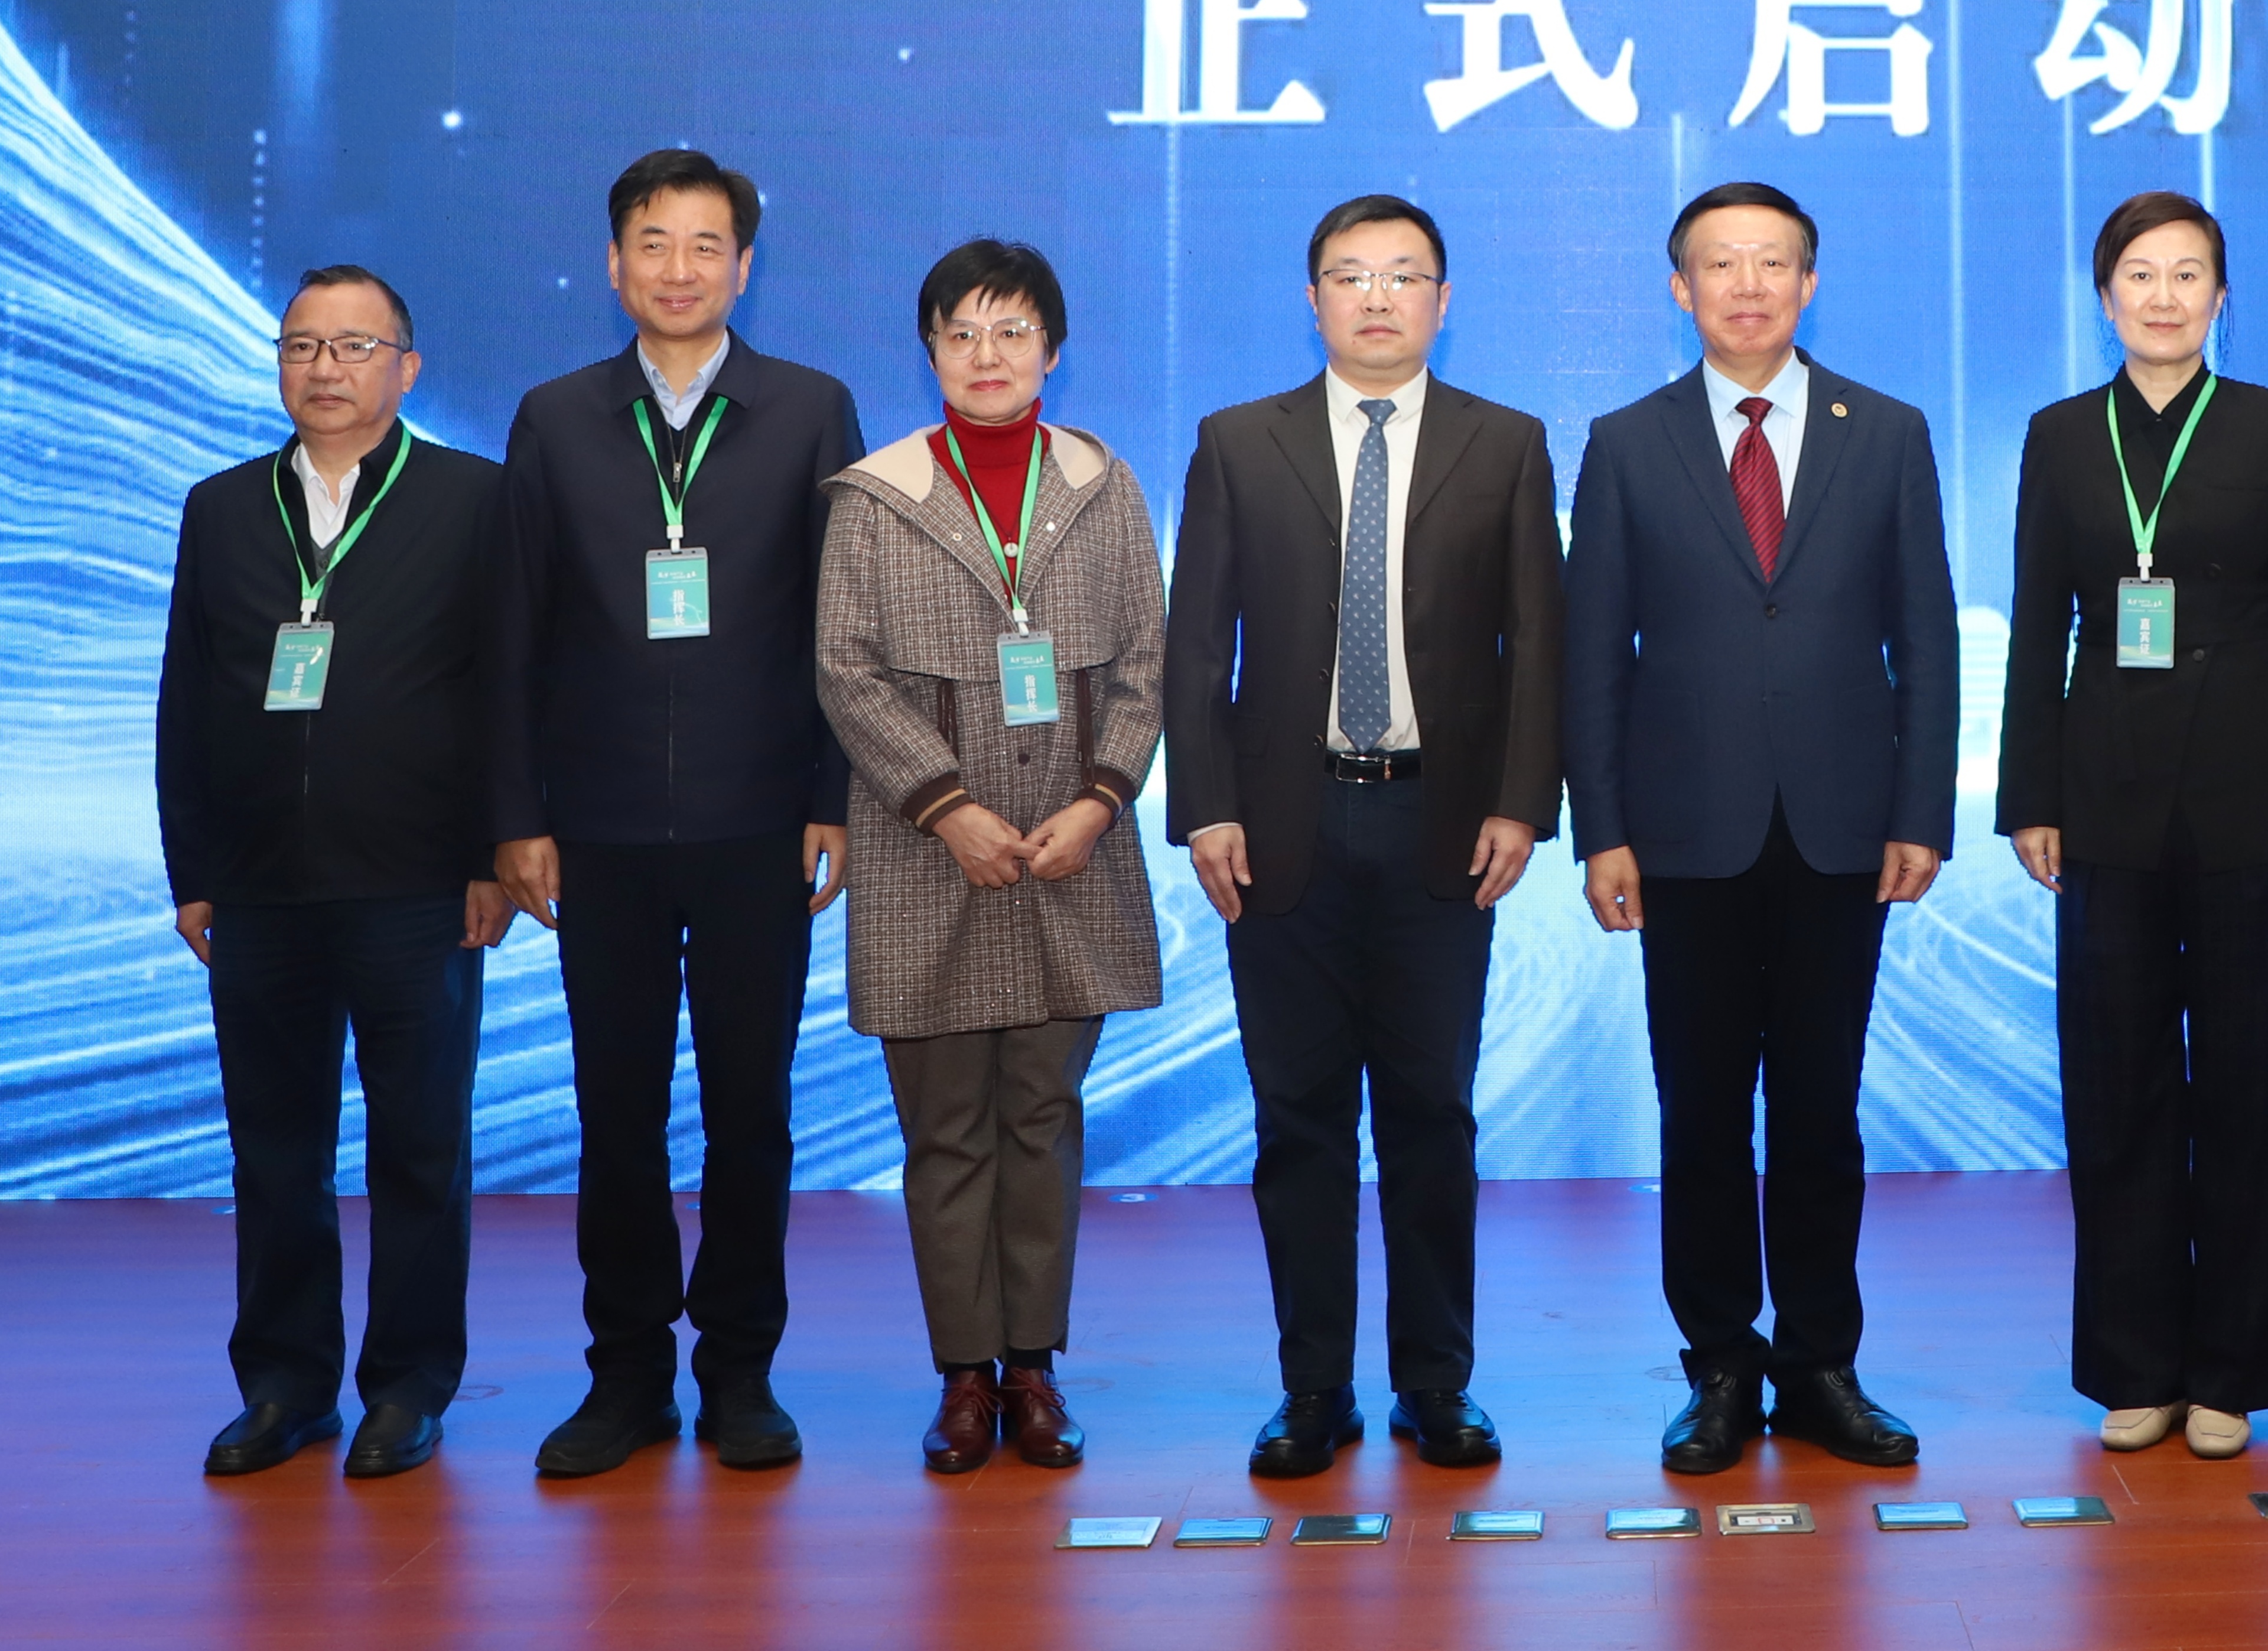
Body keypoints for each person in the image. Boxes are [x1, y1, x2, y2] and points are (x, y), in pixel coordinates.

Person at [1164, 194, 1563, 1479]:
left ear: (1443, 300)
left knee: (1433, 1111)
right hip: (1283, 822)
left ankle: (1437, 1382)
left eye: (1404, 276)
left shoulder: (1507, 443)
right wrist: (1206, 804)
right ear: (1313, 298)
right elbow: (1195, 643)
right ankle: (1313, 1385)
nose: (1378, 297)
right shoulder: (1239, 442)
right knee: (1299, 1115)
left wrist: (1522, 801)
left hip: (1442, 820)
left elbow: (1538, 642)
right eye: (1351, 275)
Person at [1565, 183, 1958, 1474]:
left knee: (1821, 1112)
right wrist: (1601, 829)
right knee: (1700, 1113)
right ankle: (1721, 1364)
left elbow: (1928, 636)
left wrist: (1922, 808)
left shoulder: (1885, 431)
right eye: (1721, 265)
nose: (1748, 285)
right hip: (1684, 834)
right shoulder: (1626, 442)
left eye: (1773, 263)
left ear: (1810, 281)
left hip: (1843, 827)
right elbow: (1592, 653)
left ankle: (1823, 1361)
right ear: (1680, 289)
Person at [493, 150, 866, 1477]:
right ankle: (628, 1376)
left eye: (707, 246)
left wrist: (833, 795)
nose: (678, 269)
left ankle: (741, 1371)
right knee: (618, 1111)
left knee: (750, 1110)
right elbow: (514, 628)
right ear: (614, 265)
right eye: (653, 243)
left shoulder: (810, 409)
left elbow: (844, 626)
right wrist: (516, 812)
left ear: (744, 268)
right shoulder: (555, 418)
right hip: (595, 827)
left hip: (760, 819)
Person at [1996, 190, 2268, 1460]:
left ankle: (2235, 1370)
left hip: (2254, 781)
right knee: (2119, 1083)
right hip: (2103, 786)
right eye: (2140, 275)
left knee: (2249, 1081)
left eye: (2189, 273)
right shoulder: (2061, 435)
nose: (2165, 296)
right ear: (2106, 297)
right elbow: (2037, 622)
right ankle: (2135, 1364)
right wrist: (2030, 798)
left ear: (2221, 294)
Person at [815, 240, 1167, 1473]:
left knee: (1044, 1118)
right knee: (947, 1129)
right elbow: (846, 673)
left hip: (1073, 853)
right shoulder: (874, 495)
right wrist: (947, 808)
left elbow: (1145, 662)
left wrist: (1102, 800)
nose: (986, 355)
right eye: (961, 332)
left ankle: (1033, 1368)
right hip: (929, 859)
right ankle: (964, 1375)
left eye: (1012, 331)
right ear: (929, 351)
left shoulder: (1104, 487)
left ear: (1052, 350)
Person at [160, 267, 511, 1480]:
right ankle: (284, 1385)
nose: (325, 367)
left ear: (406, 367)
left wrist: (495, 855)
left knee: (421, 1145)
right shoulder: (221, 507)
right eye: (302, 345)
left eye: (355, 346)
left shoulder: (473, 500)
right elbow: (187, 696)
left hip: (422, 884)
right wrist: (194, 867)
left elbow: (507, 693)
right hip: (259, 885)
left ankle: (407, 1386)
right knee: (274, 1148)